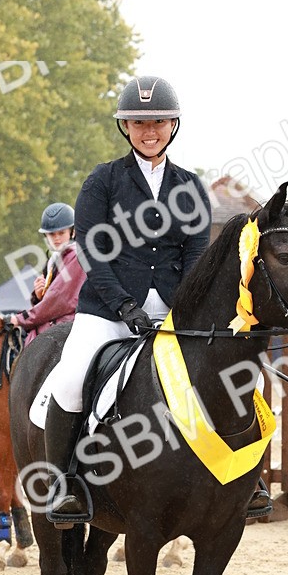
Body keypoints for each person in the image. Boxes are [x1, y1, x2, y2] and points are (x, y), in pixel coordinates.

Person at [43, 74, 215, 523]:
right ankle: (64, 486)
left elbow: (196, 254)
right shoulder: (102, 181)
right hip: (109, 308)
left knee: (225, 370)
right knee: (70, 378)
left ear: (173, 124)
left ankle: (244, 477)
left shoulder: (191, 186)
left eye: (158, 120)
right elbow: (94, 254)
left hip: (175, 309)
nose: (149, 130)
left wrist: (184, 310)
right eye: (139, 122)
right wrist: (123, 306)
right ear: (125, 127)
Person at [10, 203, 84, 345]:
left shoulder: (76, 256)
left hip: (69, 328)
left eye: (61, 233)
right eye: (51, 234)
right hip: (55, 325)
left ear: (72, 232)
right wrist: (39, 296)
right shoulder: (54, 260)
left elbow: (58, 300)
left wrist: (20, 319)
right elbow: (51, 300)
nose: (56, 238)